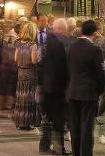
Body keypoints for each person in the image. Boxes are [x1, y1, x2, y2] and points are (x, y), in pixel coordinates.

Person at [68, 20, 105, 156]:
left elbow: (67, 69)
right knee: (86, 127)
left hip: (72, 91)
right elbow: (100, 73)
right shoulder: (95, 49)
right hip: (89, 93)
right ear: (94, 32)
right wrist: (100, 90)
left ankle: (76, 152)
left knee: (74, 126)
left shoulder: (72, 47)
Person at [38, 20, 69, 154]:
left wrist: (40, 83)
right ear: (63, 29)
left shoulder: (45, 42)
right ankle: (58, 148)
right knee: (58, 119)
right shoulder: (60, 44)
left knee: (46, 117)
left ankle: (44, 146)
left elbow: (40, 64)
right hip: (57, 87)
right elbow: (62, 68)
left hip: (46, 86)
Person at [13, 21, 39, 130]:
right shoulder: (33, 45)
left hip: (20, 74)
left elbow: (15, 59)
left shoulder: (19, 44)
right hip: (30, 74)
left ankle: (19, 122)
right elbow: (34, 60)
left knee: (20, 98)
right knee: (28, 99)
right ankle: (27, 123)